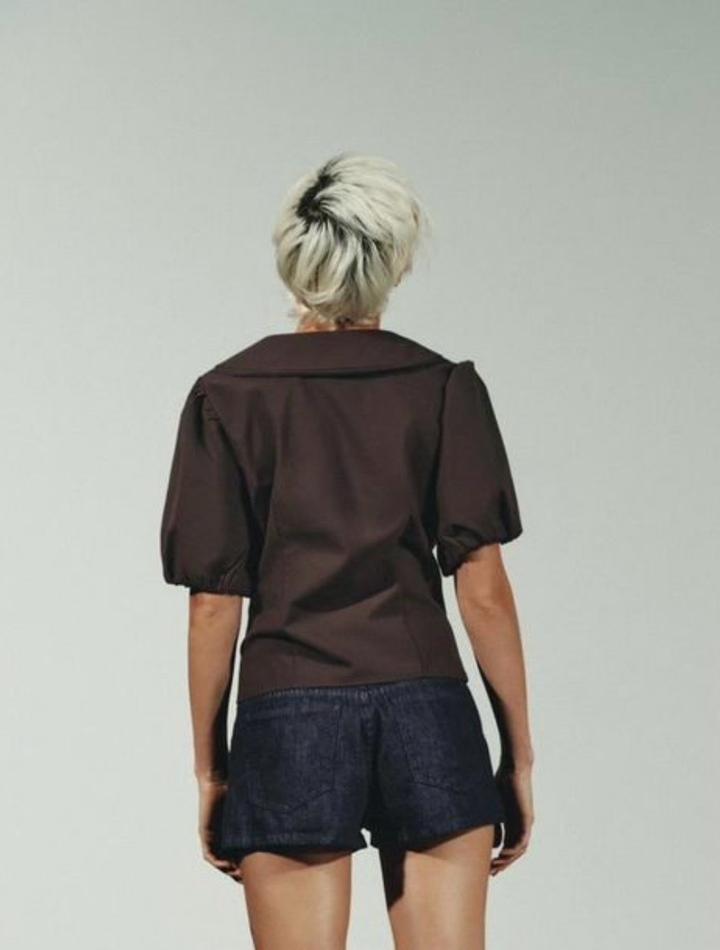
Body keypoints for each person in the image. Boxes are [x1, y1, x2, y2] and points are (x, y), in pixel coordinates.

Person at [160, 152, 534, 949]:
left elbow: (213, 608)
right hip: (427, 709)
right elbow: (483, 591)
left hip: (288, 711)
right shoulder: (441, 387)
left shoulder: (228, 396)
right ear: (395, 263)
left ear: (293, 262)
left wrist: (212, 771)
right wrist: (518, 757)